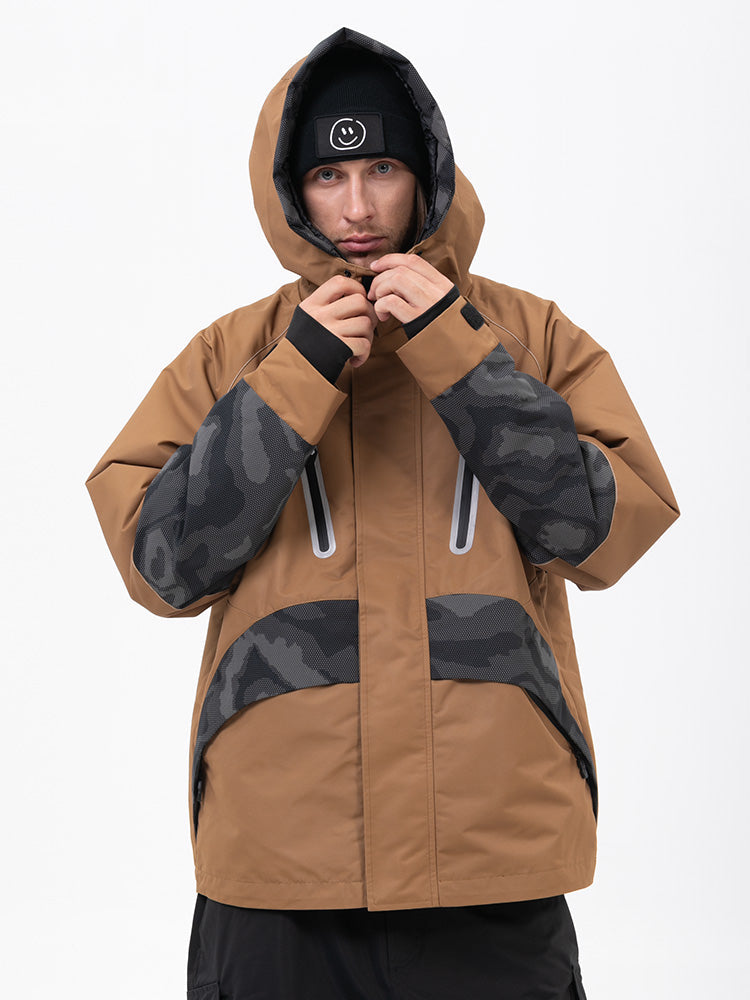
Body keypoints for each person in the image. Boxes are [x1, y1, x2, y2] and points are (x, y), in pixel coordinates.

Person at [86, 27, 679, 1000]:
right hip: (279, 869)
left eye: (382, 168)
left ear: (428, 174)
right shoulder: (234, 354)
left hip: (492, 863)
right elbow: (162, 567)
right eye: (328, 175)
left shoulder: (528, 337)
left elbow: (606, 536)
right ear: (290, 191)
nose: (357, 207)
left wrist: (456, 350)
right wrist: (297, 375)